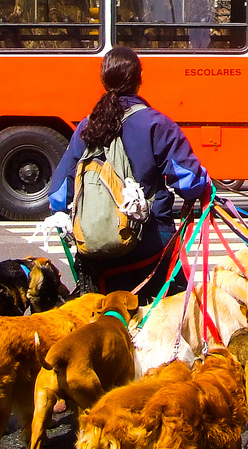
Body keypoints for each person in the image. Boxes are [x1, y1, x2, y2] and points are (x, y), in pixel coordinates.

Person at [48, 47, 212, 300]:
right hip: (150, 244)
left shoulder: (86, 126)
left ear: (104, 80)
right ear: (139, 79)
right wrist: (206, 184)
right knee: (174, 309)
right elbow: (189, 183)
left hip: (97, 252)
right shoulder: (157, 124)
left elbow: (58, 197)